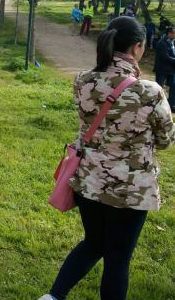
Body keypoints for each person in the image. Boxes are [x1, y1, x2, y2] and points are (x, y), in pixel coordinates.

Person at [39, 16, 174, 300]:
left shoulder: (83, 80)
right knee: (118, 257)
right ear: (137, 47)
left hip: (88, 180)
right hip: (130, 189)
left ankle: (53, 296)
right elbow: (165, 141)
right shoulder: (150, 92)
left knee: (94, 243)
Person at [154, 26, 175, 109]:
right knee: (159, 87)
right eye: (174, 33)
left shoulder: (173, 42)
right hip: (162, 69)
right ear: (169, 33)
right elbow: (165, 57)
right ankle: (156, 105)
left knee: (174, 86)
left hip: (171, 69)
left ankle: (171, 105)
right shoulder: (162, 43)